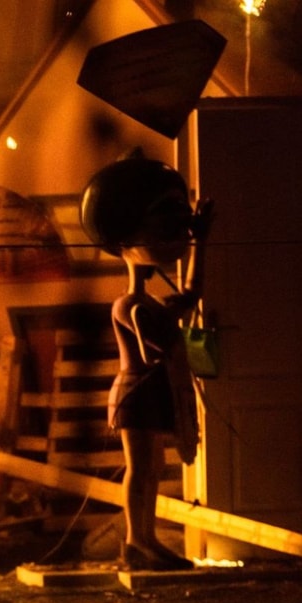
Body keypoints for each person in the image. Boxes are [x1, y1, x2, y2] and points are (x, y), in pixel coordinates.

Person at [80, 149, 213, 572]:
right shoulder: (130, 306)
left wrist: (201, 243)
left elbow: (189, 297)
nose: (178, 226)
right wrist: (180, 349)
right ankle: (137, 540)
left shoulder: (147, 302)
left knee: (152, 467)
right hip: (137, 395)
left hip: (150, 394)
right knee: (140, 468)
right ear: (123, 239)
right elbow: (152, 350)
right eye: (164, 215)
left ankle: (145, 538)